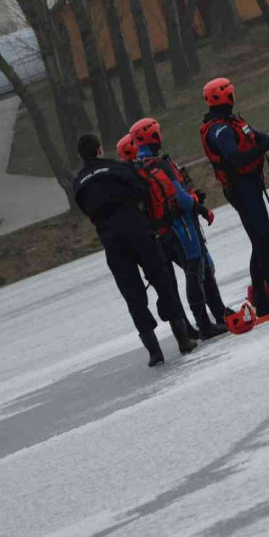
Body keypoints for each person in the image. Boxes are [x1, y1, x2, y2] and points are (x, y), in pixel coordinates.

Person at [73, 133, 196, 367]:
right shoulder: (116, 169)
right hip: (137, 229)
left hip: (111, 240)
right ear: (99, 149)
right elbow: (142, 189)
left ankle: (154, 352)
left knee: (133, 296)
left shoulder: (79, 182)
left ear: (81, 155)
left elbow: (85, 209)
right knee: (162, 281)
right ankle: (183, 340)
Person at [199, 77, 269, 315]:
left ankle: (262, 301)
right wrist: (266, 146)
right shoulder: (221, 130)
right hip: (241, 188)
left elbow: (258, 137)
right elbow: (236, 158)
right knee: (263, 242)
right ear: (227, 97)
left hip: (248, 185)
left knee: (260, 242)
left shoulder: (231, 121)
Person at [126, 119, 230, 340]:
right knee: (196, 271)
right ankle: (205, 324)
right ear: (152, 136)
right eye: (158, 132)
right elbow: (181, 198)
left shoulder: (137, 168)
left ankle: (213, 318)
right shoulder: (159, 164)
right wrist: (201, 208)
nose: (161, 136)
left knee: (195, 272)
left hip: (161, 232)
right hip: (181, 226)